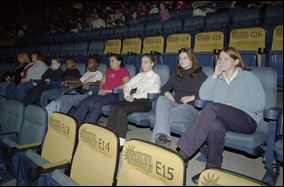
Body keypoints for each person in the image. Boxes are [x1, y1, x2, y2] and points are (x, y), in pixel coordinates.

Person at [176, 47, 265, 184]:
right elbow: (204, 95)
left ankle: (184, 152)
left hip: (247, 119)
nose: (221, 62)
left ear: (236, 62)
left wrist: (232, 104)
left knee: (211, 107)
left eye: (226, 59)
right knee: (214, 126)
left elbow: (259, 103)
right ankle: (212, 169)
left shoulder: (248, 77)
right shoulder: (218, 79)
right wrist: (215, 76)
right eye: (219, 59)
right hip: (224, 118)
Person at [151, 48, 207, 146]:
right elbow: (164, 88)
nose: (182, 61)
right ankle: (162, 139)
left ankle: (156, 144)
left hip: (190, 108)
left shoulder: (200, 75)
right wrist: (168, 94)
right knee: (162, 99)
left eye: (185, 58)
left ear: (192, 59)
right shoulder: (177, 74)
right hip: (175, 105)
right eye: (180, 58)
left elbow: (209, 93)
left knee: (162, 116)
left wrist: (193, 97)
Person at [106, 54, 161, 146]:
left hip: (146, 102)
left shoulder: (156, 77)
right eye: (141, 62)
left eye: (145, 62)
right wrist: (127, 95)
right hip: (134, 99)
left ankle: (120, 141)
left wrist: (136, 95)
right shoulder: (140, 75)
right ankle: (109, 135)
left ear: (152, 64)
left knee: (123, 110)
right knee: (114, 106)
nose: (142, 64)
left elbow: (155, 91)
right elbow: (128, 85)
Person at [71, 54, 130, 127]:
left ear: (119, 62)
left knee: (97, 104)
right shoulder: (108, 70)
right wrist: (101, 89)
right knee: (84, 102)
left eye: (112, 61)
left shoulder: (124, 71)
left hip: (114, 94)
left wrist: (110, 90)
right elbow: (102, 82)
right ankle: (74, 125)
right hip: (102, 92)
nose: (110, 63)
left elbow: (126, 85)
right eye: (109, 61)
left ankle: (87, 128)